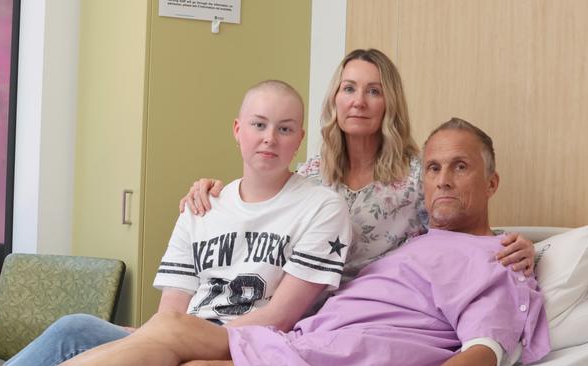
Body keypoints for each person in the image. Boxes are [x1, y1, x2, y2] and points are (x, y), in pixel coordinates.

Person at [45, 118, 550, 366]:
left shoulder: (502, 262)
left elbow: (485, 351)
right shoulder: (405, 234)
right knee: (157, 339)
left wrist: (525, 248)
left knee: (173, 333)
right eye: (434, 167)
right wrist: (211, 192)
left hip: (328, 354)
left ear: (491, 183)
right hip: (300, 342)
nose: (441, 180)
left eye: (460, 168)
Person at [0, 80, 352, 366]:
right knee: (76, 327)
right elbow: (169, 312)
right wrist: (158, 341)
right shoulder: (203, 204)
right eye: (259, 125)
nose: (269, 138)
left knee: (157, 332)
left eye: (284, 129)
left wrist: (180, 339)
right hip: (179, 330)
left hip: (247, 342)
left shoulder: (321, 208)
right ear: (238, 130)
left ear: (300, 139)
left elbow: (278, 319)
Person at [181, 49, 536, 283]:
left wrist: (519, 245)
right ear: (335, 98)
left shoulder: (417, 176)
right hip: (303, 305)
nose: (359, 102)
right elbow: (258, 208)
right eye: (349, 88)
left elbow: (460, 224)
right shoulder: (310, 175)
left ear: (389, 103)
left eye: (374, 91)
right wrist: (213, 191)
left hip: (383, 306)